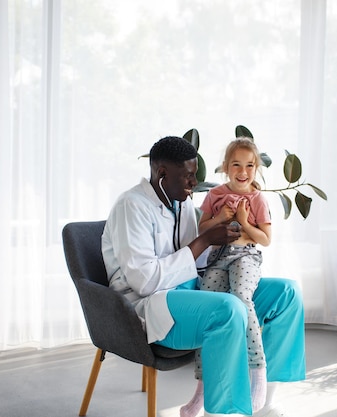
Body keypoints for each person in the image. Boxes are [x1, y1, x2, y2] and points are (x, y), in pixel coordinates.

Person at [100, 136, 305, 417]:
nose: (194, 183)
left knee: (287, 293)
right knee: (229, 307)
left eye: (194, 175)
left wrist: (230, 239)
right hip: (152, 306)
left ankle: (264, 404)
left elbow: (196, 263)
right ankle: (218, 411)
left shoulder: (181, 202)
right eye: (188, 176)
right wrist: (205, 240)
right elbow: (143, 281)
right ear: (162, 174)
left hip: (192, 291)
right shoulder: (131, 206)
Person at [196, 138, 271, 413]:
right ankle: (202, 388)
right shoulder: (215, 194)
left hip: (246, 255)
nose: (243, 171)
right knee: (207, 309)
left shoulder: (258, 198)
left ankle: (257, 370)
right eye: (237, 165)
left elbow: (265, 239)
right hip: (218, 257)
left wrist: (245, 219)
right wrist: (221, 217)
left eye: (250, 165)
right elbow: (202, 229)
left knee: (241, 297)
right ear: (226, 167)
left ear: (256, 167)